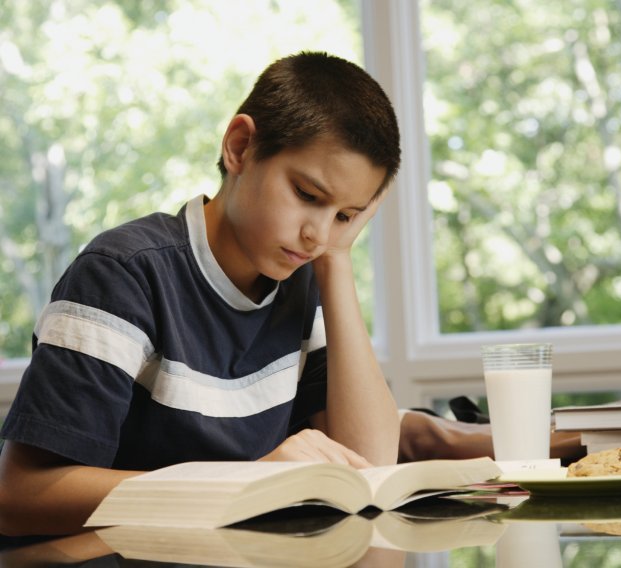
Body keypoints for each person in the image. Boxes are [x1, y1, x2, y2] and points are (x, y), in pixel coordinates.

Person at [0, 51, 402, 537]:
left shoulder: (305, 278)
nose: (318, 234)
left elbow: (371, 466)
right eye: (307, 196)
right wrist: (245, 483)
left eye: (345, 215)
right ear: (240, 147)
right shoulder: (124, 275)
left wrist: (337, 262)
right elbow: (19, 494)